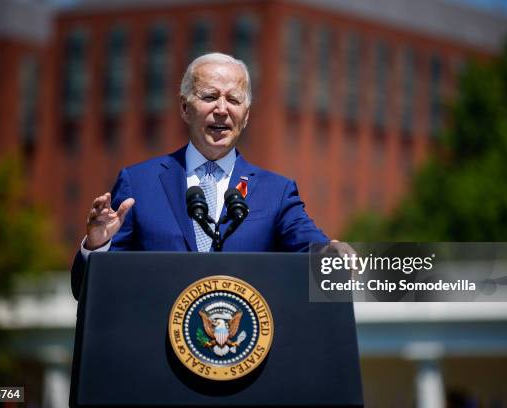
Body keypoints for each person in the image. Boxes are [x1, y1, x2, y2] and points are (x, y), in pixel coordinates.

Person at [71, 52, 331, 299]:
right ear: (185, 108)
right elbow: (85, 292)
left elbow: (327, 262)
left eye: (234, 99)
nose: (221, 109)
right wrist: (96, 247)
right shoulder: (138, 184)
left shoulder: (276, 192)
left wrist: (343, 262)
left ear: (247, 115)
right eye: (209, 97)